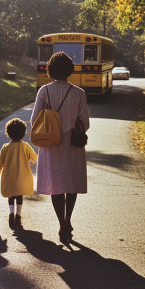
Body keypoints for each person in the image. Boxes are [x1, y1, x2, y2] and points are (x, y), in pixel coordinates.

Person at [30, 51, 89, 241]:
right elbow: (85, 124)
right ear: (70, 70)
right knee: (71, 184)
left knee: (56, 185)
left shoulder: (44, 91)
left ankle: (61, 223)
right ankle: (68, 219)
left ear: (51, 70)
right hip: (72, 144)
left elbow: (34, 120)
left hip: (51, 144)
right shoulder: (79, 93)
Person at [0, 118, 38, 228]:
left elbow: (0, 164)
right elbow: (34, 157)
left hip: (9, 177)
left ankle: (11, 213)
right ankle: (18, 214)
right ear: (23, 133)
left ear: (8, 133)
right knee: (19, 195)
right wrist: (29, 160)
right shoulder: (25, 146)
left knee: (11, 195)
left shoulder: (5, 147)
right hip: (22, 177)